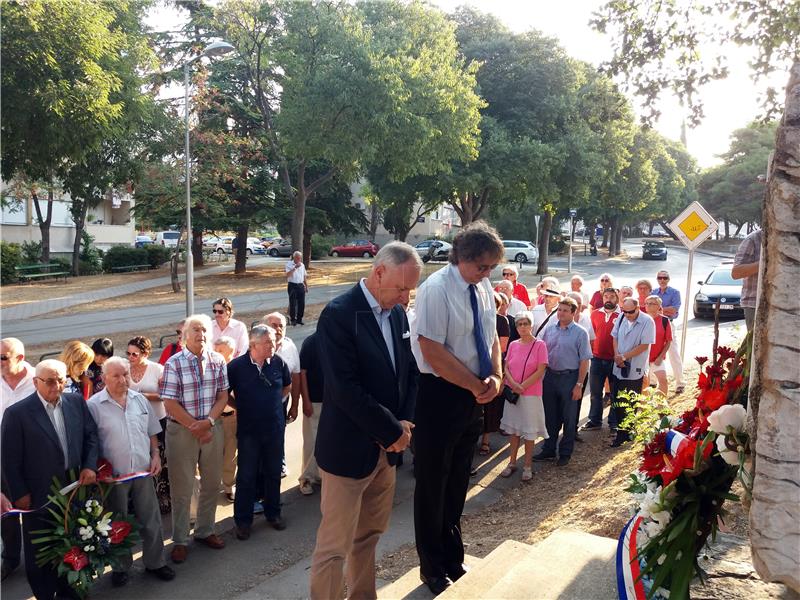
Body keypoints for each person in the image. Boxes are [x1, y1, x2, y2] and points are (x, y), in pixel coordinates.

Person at [309, 242, 421, 600]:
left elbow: (410, 372)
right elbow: (344, 389)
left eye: (410, 290)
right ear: (378, 273)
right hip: (347, 453)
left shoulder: (399, 314)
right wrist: (392, 431)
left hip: (385, 455)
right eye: (401, 288)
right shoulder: (339, 314)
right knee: (334, 547)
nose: (406, 297)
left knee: (368, 538)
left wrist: (404, 421)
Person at [412, 221, 504, 595]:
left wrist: (496, 376)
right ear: (463, 258)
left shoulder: (480, 286)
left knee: (457, 482)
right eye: (482, 266)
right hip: (439, 394)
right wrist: (474, 385)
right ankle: (431, 567)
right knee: (433, 483)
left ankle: (452, 556)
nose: (487, 274)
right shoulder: (435, 290)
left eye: (491, 268)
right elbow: (432, 351)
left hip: (474, 393)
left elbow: (491, 337)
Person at [1, 359, 99, 600]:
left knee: (75, 542)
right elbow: (9, 459)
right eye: (50, 381)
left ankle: (73, 590)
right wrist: (20, 494)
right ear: (36, 382)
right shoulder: (17, 413)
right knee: (41, 553)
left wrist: (88, 466)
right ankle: (46, 594)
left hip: (76, 488)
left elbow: (91, 436)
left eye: (61, 380)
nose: (56, 385)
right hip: (38, 495)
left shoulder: (76, 402)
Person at [87, 358, 176, 587]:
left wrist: (155, 455)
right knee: (116, 523)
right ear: (104, 378)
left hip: (143, 471)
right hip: (113, 477)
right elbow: (90, 442)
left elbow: (152, 432)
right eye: (116, 375)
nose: (122, 380)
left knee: (151, 520)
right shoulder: (94, 405)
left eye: (125, 374)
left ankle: (156, 562)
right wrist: (98, 470)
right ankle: (120, 567)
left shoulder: (139, 400)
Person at [160, 314, 230, 564]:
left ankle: (205, 530)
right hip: (182, 431)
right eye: (195, 330)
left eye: (204, 330)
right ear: (185, 335)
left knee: (212, 483)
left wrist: (208, 422)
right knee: (182, 487)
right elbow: (169, 400)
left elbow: (223, 395)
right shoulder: (174, 363)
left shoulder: (218, 360)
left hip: (212, 427)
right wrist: (194, 426)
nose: (201, 334)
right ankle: (180, 540)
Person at [227, 326, 291, 539]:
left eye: (273, 342)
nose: (273, 346)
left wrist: (272, 406)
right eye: (268, 343)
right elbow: (223, 395)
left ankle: (273, 513)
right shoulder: (236, 367)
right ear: (253, 345)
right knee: (246, 475)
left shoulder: (279, 363)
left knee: (273, 472)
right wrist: (241, 407)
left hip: (274, 429)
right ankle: (243, 521)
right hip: (249, 432)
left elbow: (286, 387)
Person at [534, 297, 592, 467]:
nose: (561, 313)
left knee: (569, 417)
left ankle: (565, 452)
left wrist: (579, 385)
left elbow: (584, 361)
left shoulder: (581, 333)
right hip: (550, 377)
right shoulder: (550, 329)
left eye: (565, 310)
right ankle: (549, 450)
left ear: (574, 313)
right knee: (550, 416)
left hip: (570, 378)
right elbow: (542, 353)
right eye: (559, 310)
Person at [0, 338, 35, 582]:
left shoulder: (38, 379)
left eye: (3, 358)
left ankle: (40, 559)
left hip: (33, 458)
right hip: (3, 458)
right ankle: (11, 558)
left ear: (20, 358)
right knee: (6, 511)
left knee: (35, 507)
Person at [498, 311, 548, 482]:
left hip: (531, 394)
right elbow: (506, 367)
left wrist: (523, 386)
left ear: (531, 325)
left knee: (529, 431)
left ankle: (527, 465)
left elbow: (541, 369)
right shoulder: (513, 344)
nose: (522, 327)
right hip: (514, 394)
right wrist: (513, 384)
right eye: (519, 324)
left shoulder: (540, 345)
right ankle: (511, 462)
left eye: (526, 324)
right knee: (513, 430)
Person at [127, 336, 170, 514]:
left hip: (158, 419)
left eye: (134, 354)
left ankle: (163, 500)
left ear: (145, 353)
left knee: (159, 460)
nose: (130, 357)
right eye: (128, 353)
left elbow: (165, 394)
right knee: (140, 459)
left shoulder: (157, 369)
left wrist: (141, 395)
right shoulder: (125, 369)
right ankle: (141, 502)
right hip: (135, 421)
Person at [610, 298, 656, 447]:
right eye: (625, 311)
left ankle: (627, 433)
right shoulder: (621, 317)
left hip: (634, 367)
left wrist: (624, 357)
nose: (627, 314)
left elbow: (644, 345)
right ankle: (621, 432)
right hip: (619, 365)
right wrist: (618, 356)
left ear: (637, 308)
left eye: (630, 312)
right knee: (617, 399)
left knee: (629, 401)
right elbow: (615, 337)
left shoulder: (647, 321)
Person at [263, 312, 301, 477]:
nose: (278, 329)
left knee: (278, 434)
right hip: (258, 404)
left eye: (281, 326)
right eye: (274, 325)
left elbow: (297, 376)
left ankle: (279, 464)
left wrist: (295, 405)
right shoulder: (254, 345)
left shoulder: (290, 346)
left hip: (281, 403)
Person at [583, 288, 621, 432]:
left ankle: (614, 422)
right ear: (602, 298)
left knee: (615, 393)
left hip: (614, 360)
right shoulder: (595, 314)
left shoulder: (622, 315)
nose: (609, 299)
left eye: (612, 296)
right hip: (597, 358)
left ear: (617, 299)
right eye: (606, 296)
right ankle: (595, 420)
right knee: (595, 392)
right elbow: (590, 335)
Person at [478, 293, 510, 457]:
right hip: (476, 368)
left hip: (493, 366)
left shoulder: (501, 321)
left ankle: (486, 440)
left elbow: (502, 348)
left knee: (490, 406)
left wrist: (499, 375)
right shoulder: (478, 318)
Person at [298, 332, 324, 496]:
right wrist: (305, 401)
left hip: (335, 401)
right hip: (314, 401)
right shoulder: (311, 342)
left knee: (328, 442)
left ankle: (320, 475)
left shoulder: (339, 338)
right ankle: (306, 478)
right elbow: (302, 373)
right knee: (312, 441)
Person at [213, 337, 238, 502]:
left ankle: (229, 485)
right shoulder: (209, 369)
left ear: (232, 352)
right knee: (210, 455)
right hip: (212, 419)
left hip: (231, 418)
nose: (216, 353)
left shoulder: (236, 370)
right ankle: (210, 487)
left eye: (221, 350)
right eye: (215, 349)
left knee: (230, 454)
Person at [654, 270, 685, 394]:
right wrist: (664, 310)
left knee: (674, 353)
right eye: (660, 277)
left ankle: (680, 383)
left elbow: (674, 310)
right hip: (655, 324)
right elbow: (649, 309)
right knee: (653, 353)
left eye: (665, 278)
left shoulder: (675, 292)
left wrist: (658, 309)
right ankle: (652, 382)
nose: (662, 280)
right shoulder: (653, 292)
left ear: (668, 279)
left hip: (668, 324)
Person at [731, 228, 763, 331]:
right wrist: (765, 261)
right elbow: (736, 273)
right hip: (755, 306)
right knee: (757, 346)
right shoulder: (753, 239)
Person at [643, 295, 672, 397]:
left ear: (659, 306)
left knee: (663, 380)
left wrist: (660, 357)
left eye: (652, 303)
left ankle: (662, 407)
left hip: (657, 358)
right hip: (642, 358)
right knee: (645, 383)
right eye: (647, 303)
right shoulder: (641, 319)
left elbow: (668, 341)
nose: (648, 305)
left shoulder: (664, 320)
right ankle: (644, 407)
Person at [285, 251, 308, 326]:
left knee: (302, 303)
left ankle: (299, 319)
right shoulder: (289, 264)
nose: (299, 260)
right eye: (298, 258)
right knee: (293, 303)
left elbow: (304, 276)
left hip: (301, 285)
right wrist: (295, 267)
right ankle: (293, 320)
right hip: (292, 286)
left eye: (300, 258)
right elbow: (288, 275)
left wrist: (306, 286)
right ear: (294, 257)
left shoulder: (302, 265)